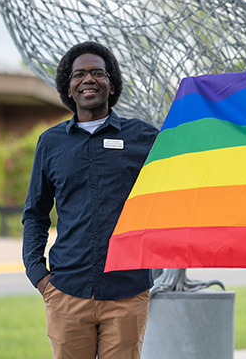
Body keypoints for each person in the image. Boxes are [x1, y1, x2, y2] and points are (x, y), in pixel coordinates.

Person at [22, 42, 159, 359]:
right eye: (79, 74)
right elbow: (36, 215)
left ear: (111, 84)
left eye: (98, 72)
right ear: (68, 88)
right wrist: (38, 276)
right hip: (67, 290)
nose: (89, 79)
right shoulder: (51, 143)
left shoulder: (144, 138)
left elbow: (173, 192)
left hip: (127, 289)